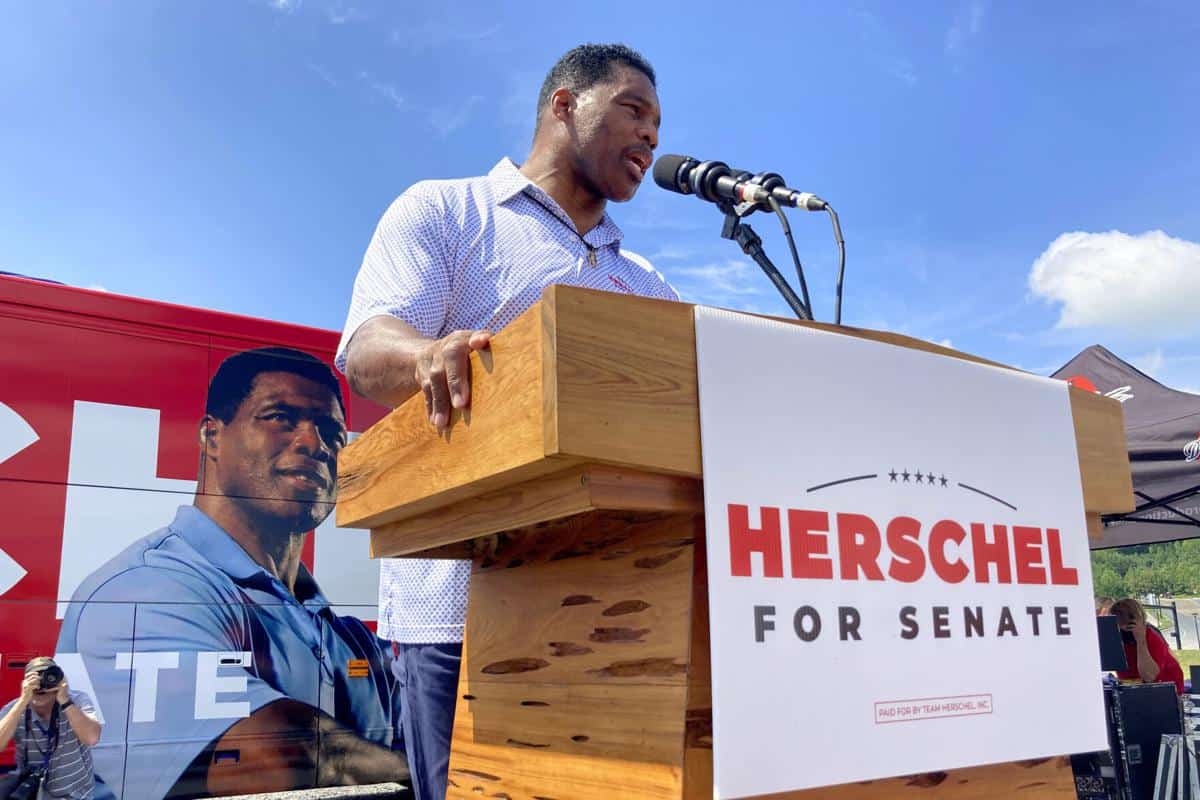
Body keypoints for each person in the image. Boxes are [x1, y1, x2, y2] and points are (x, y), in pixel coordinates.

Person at [337, 42, 675, 800]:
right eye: (634, 111)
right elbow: (366, 348)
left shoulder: (647, 284)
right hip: (460, 613)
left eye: (658, 126)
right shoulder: (448, 212)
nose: (652, 137)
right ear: (563, 104)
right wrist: (427, 355)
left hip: (616, 612)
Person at [56, 348, 410, 799]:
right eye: (280, 417)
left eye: (331, 431)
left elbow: (446, 721)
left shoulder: (344, 636)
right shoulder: (136, 595)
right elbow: (281, 759)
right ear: (212, 437)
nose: (314, 444)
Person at [0, 658, 102, 800]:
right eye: (35, 679)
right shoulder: (15, 708)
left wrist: (65, 700)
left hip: (75, 795)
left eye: (47, 678)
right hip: (31, 793)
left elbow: (92, 738)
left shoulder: (76, 701)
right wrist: (23, 701)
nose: (41, 686)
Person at [1110, 597, 1185, 694]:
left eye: (1125, 622)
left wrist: (1141, 641)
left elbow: (1149, 677)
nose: (1122, 628)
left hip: (1164, 690)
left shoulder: (1151, 637)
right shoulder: (1116, 638)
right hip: (1134, 689)